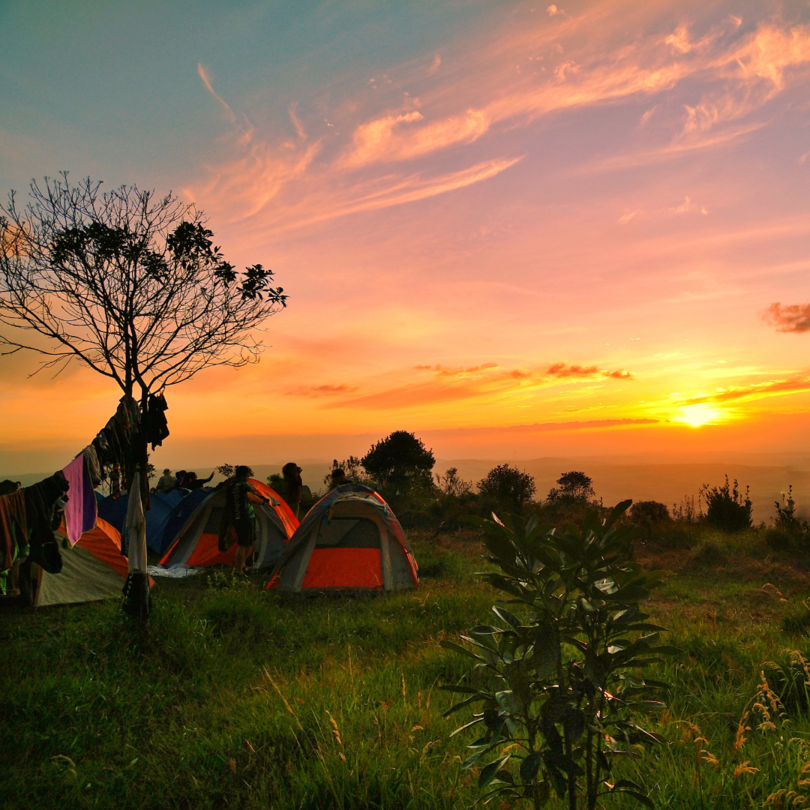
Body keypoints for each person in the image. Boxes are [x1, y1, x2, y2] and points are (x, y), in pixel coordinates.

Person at [223, 466, 268, 575]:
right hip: (245, 516)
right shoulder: (242, 484)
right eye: (248, 474)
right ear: (244, 474)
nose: (249, 476)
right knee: (242, 544)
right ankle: (239, 569)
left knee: (251, 540)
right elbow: (254, 489)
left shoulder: (231, 485)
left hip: (237, 516)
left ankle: (242, 565)